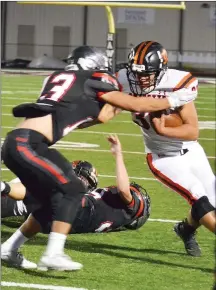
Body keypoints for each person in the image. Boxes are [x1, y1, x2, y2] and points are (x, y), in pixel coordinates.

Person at [1, 45, 193, 271]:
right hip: (29, 144)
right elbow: (136, 105)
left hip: (19, 142)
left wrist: (125, 97)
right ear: (93, 65)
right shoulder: (92, 78)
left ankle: (9, 249)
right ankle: (53, 253)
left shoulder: (60, 77)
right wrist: (173, 100)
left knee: (45, 202)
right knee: (72, 189)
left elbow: (100, 116)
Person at [116, 40, 216, 257]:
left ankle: (185, 229)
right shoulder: (124, 81)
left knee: (212, 202)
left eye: (147, 74)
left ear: (161, 70)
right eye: (136, 73)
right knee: (197, 196)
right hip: (163, 157)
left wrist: (163, 130)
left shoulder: (177, 84)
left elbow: (192, 131)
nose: (140, 79)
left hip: (191, 150)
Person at [1, 135, 151, 269]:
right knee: (42, 209)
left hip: (77, 209)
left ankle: (4, 187)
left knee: (44, 188)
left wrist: (118, 154)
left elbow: (124, 190)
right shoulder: (117, 216)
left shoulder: (129, 209)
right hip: (70, 221)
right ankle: (9, 248)